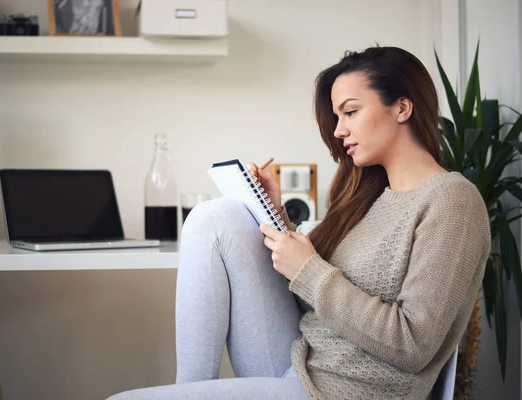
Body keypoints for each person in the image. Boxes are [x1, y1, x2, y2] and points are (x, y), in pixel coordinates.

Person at [106, 46, 491, 400]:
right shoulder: (370, 196)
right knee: (215, 217)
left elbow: (413, 345)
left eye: (350, 112)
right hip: (300, 361)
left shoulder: (452, 202)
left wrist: (310, 270)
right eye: (338, 116)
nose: (339, 131)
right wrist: (278, 218)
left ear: (402, 108)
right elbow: (313, 295)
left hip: (347, 392)